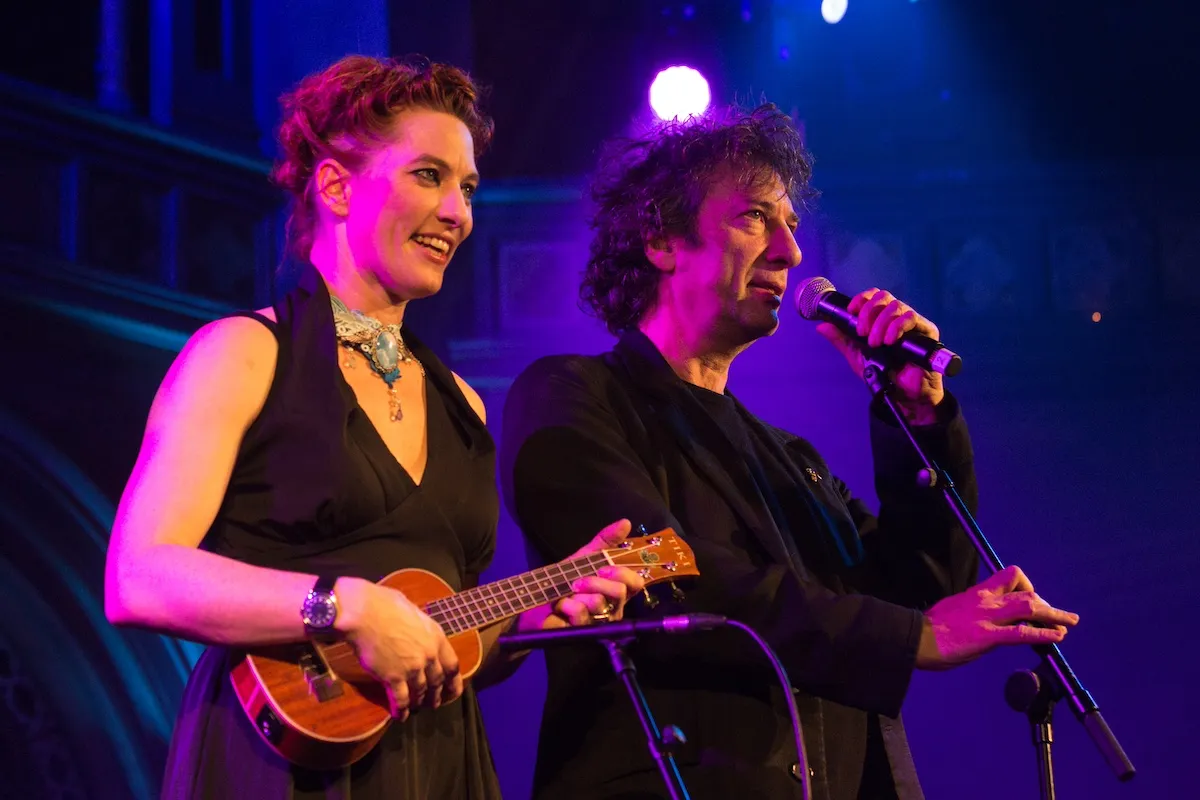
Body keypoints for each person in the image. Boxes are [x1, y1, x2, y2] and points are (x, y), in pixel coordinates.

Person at [498, 104, 1079, 800]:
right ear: (661, 238)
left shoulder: (788, 456)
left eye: (792, 225)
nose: (791, 253)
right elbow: (663, 571)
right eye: (754, 217)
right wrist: (911, 636)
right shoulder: (572, 395)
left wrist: (917, 415)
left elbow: (917, 589)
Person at [104, 54, 642, 799]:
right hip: (278, 763)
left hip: (438, 762)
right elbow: (139, 577)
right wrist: (343, 604)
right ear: (335, 186)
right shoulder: (243, 353)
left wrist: (533, 617)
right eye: (429, 175)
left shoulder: (464, 402)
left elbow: (433, 635)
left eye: (468, 187)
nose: (459, 212)